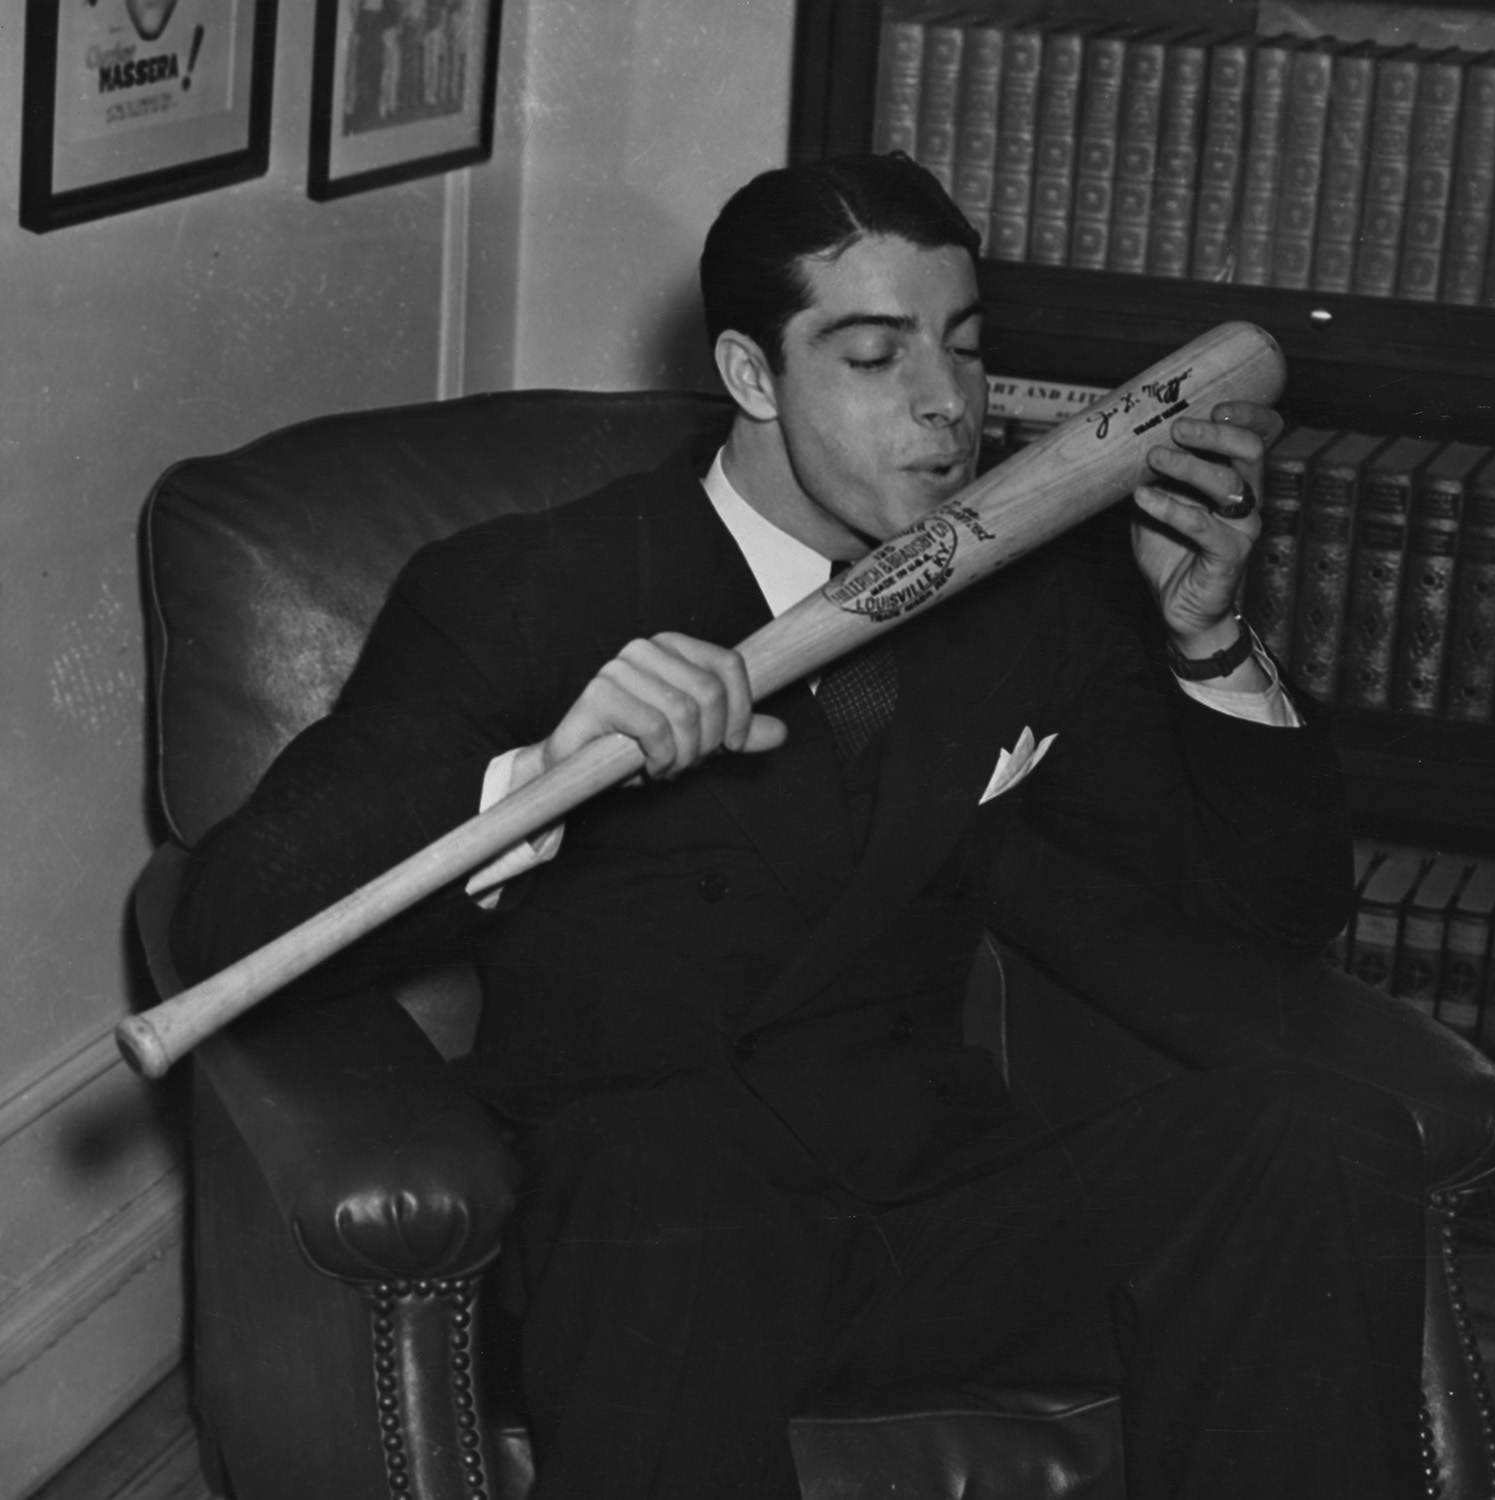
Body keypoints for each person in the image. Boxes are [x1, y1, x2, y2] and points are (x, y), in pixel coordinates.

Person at [172, 154, 1425, 1499]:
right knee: (657, 1166)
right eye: (874, 357)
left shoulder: (1028, 600)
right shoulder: (532, 586)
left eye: (963, 347)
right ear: (753, 375)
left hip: (932, 1209)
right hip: (644, 1251)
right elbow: (233, 916)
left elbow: (1262, 915)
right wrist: (533, 773)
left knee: (1310, 1138)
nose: (946, 407)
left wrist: (1204, 636)